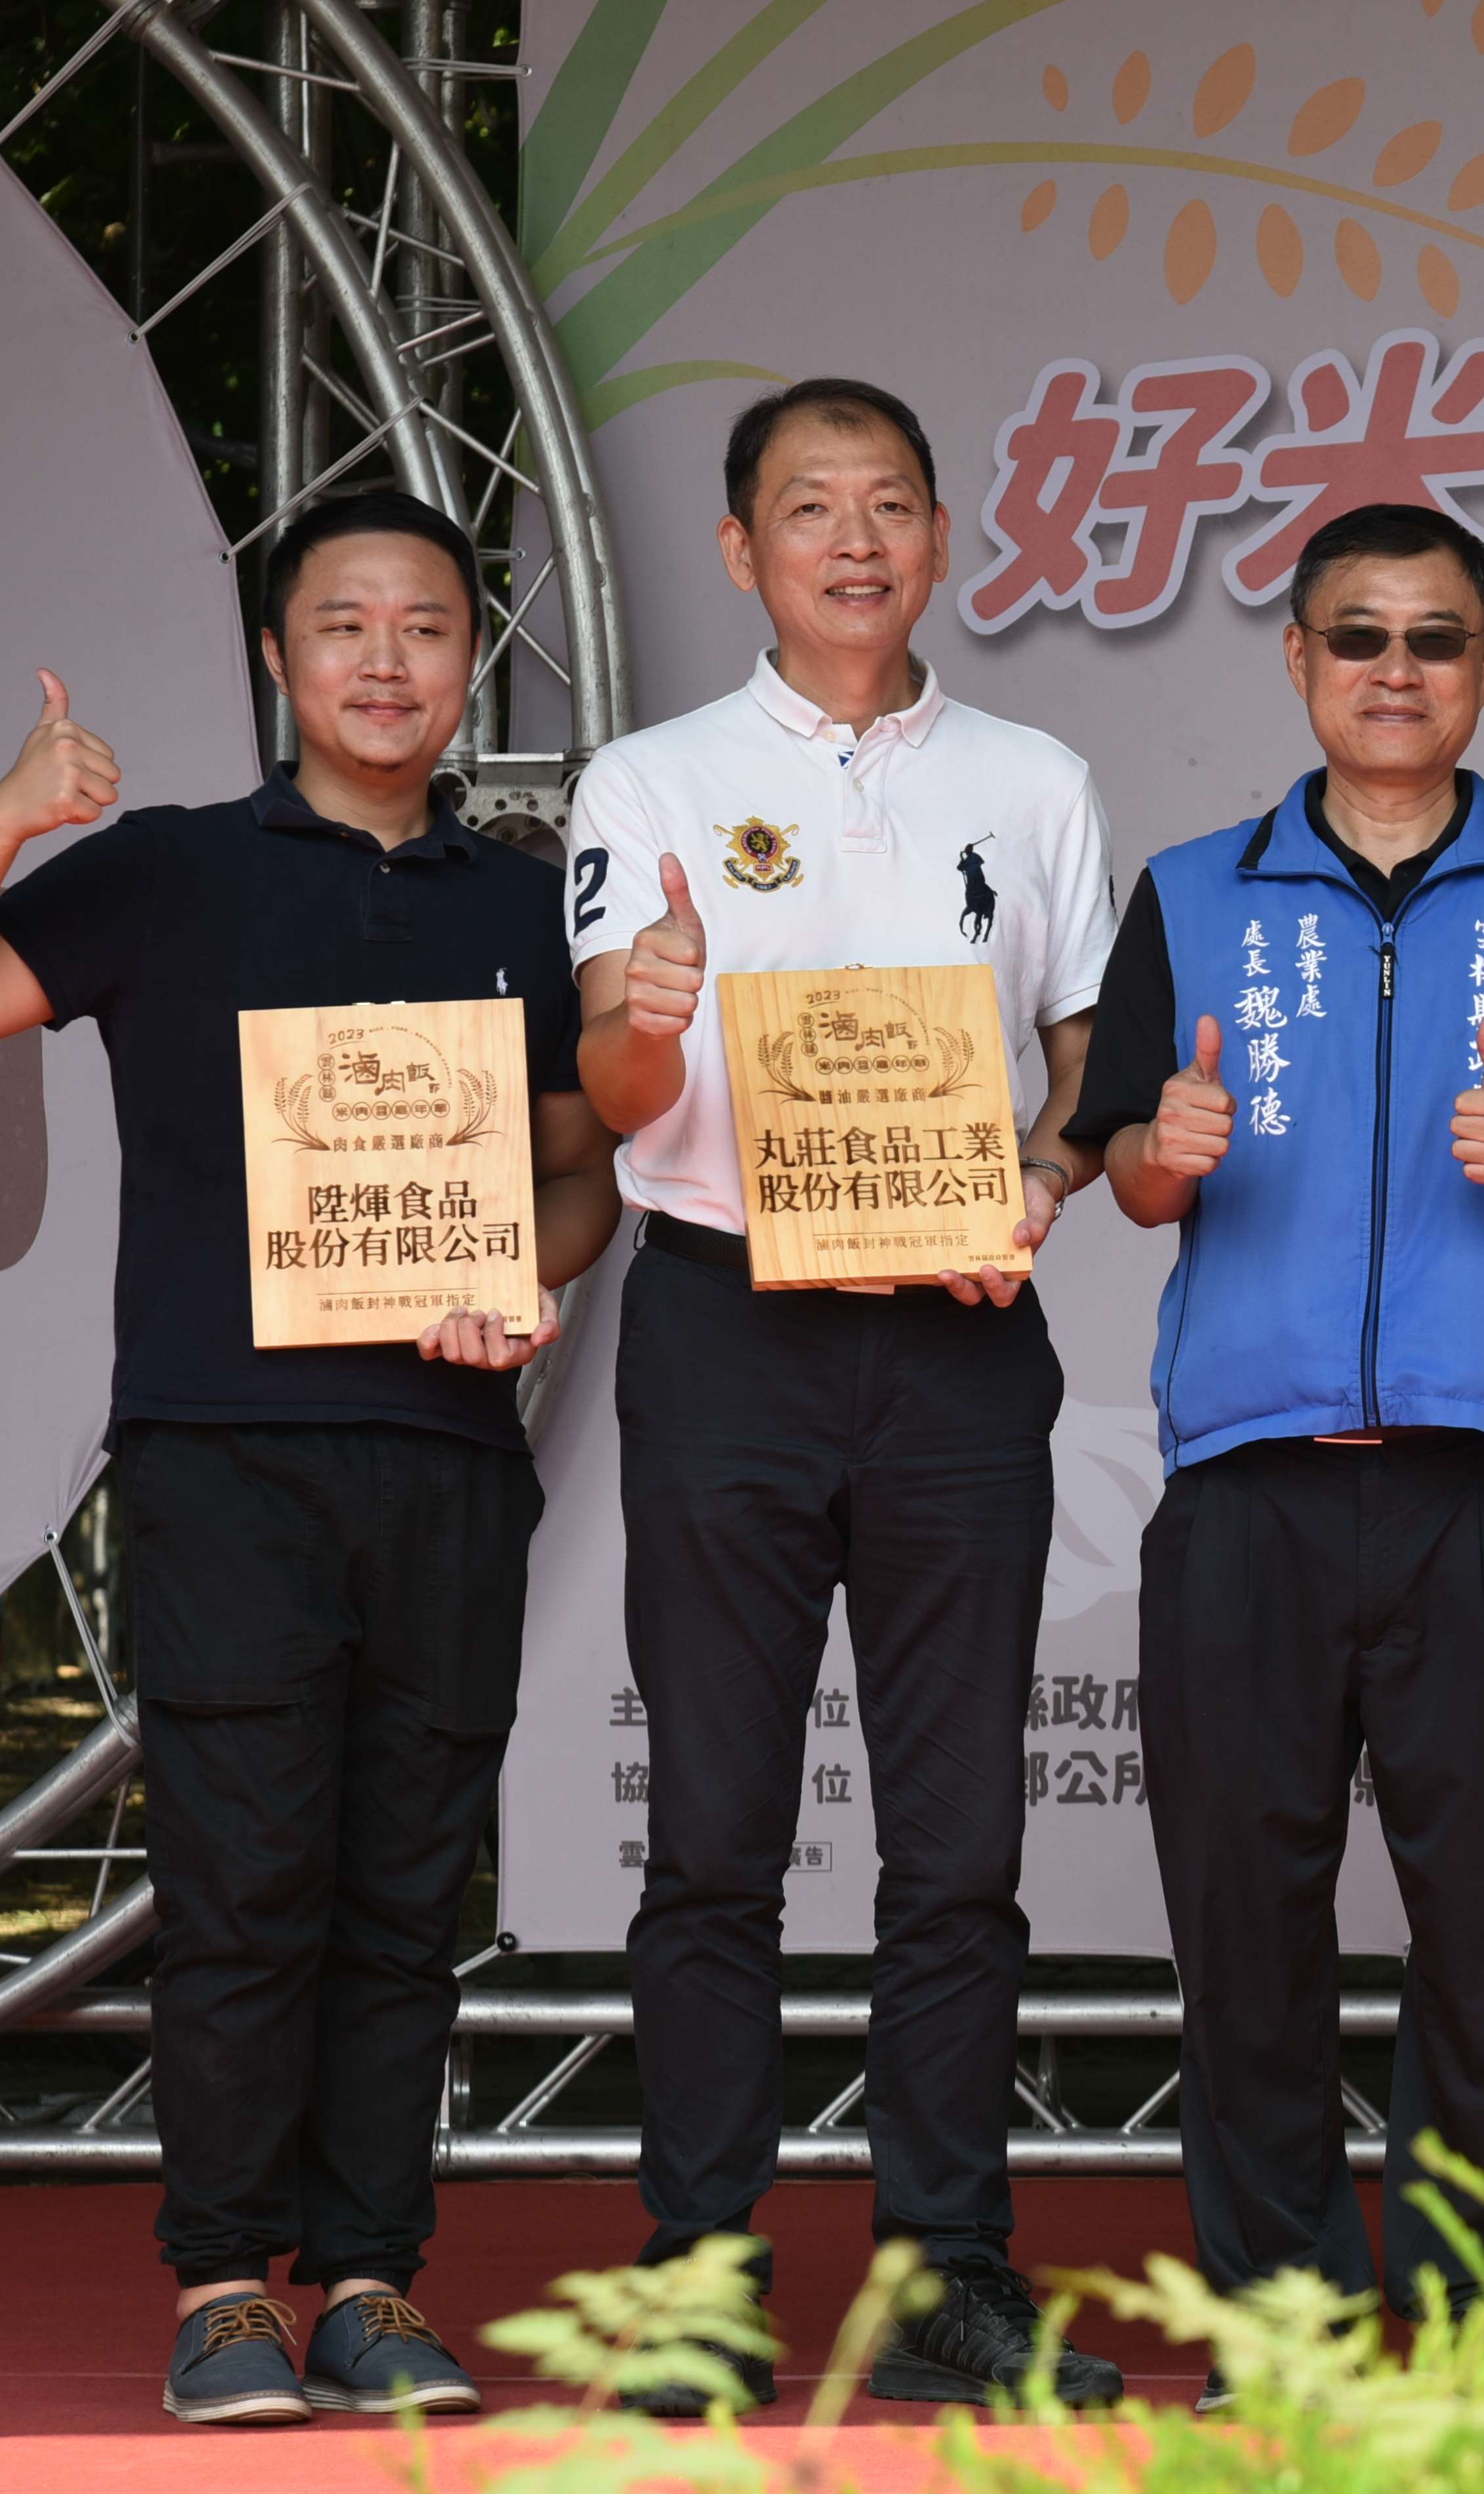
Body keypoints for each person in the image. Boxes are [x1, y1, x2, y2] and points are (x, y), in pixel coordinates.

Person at [0, 489, 620, 2427]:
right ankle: (220, 2290)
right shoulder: (170, 873)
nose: (386, 657)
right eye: (344, 623)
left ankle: (370, 2281)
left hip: (447, 1449)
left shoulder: (523, 903)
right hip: (221, 1447)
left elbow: (579, 1174)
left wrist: (522, 1276)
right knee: (246, 1873)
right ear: (278, 659)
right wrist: (14, 815)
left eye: (429, 627)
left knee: (403, 1883)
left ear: (469, 666)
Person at [565, 379, 1124, 2411]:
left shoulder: (1034, 776)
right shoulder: (651, 780)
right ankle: (699, 2274)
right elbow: (625, 1100)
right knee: (710, 1831)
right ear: (744, 551)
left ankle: (945, 2270)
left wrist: (1051, 1178)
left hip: (962, 1333)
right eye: (812, 508)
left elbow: (1091, 1061)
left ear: (943, 533)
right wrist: (646, 1021)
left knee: (958, 1834)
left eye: (892, 502)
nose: (856, 540)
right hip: (729, 1322)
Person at [1066, 501, 1484, 2379]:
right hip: (1246, 1476)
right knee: (1247, 1915)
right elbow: (1126, 1179)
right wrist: (1167, 1152)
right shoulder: (1190, 892)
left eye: (1437, 640)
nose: (1398, 673)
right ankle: (1282, 2310)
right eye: (1360, 638)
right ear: (1299, 664)